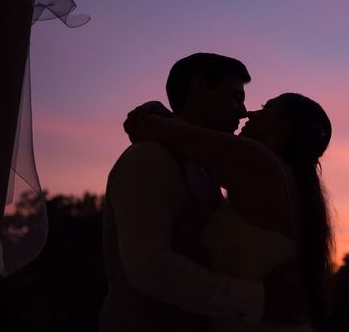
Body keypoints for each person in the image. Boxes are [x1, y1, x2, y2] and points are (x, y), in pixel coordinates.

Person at [123, 92, 334, 332]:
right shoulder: (287, 183)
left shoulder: (258, 161)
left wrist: (151, 110)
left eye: (266, 107)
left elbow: (152, 128)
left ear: (280, 124)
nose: (250, 113)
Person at [100, 53, 273, 331]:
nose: (242, 111)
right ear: (198, 89)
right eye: (234, 97)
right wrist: (255, 299)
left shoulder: (205, 168)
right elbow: (148, 265)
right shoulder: (149, 158)